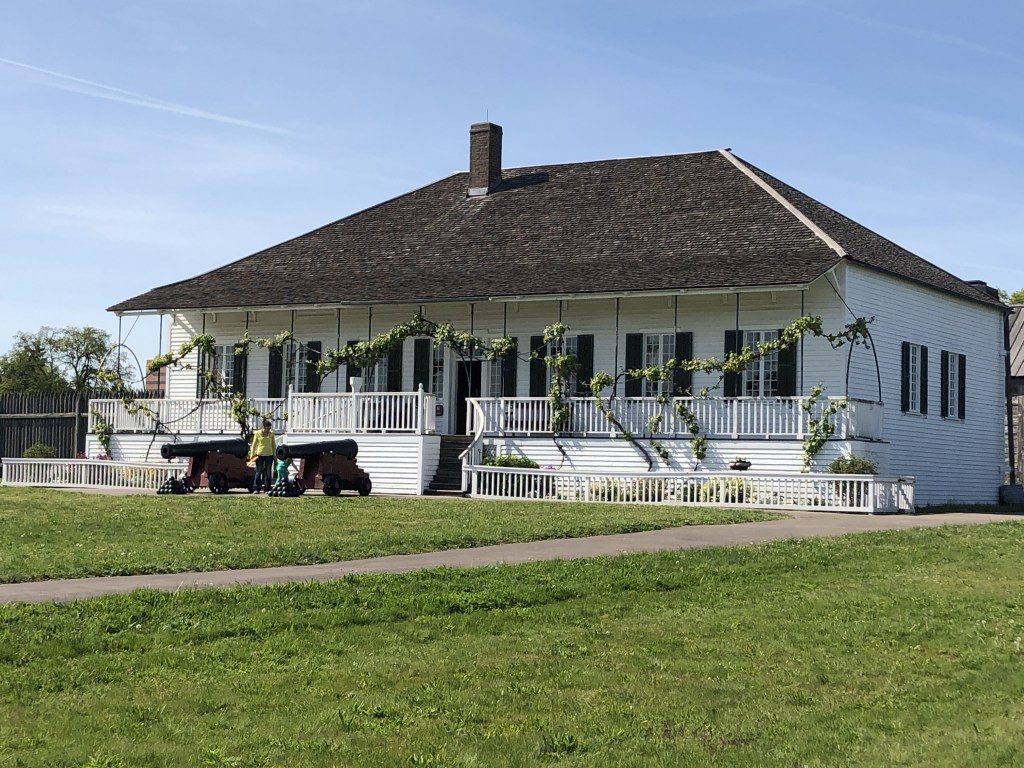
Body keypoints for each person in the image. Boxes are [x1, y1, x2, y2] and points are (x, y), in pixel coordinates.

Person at [249, 419, 277, 493]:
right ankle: (256, 488)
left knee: (268, 472)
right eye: (267, 428)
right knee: (258, 471)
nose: (268, 430)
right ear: (263, 427)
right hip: (260, 454)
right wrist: (252, 454)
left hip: (269, 455)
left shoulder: (271, 434)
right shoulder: (257, 433)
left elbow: (273, 445)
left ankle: (267, 489)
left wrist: (275, 455)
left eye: (269, 428)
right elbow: (254, 444)